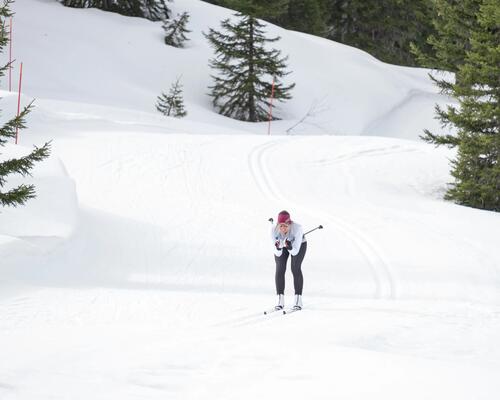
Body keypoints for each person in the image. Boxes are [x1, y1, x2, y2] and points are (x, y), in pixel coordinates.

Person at [271, 210, 307, 310]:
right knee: (280, 269)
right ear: (277, 225)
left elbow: (295, 252)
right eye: (281, 226)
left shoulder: (298, 229)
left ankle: (298, 300)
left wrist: (290, 247)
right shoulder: (273, 230)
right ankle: (280, 300)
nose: (283, 229)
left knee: (295, 268)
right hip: (282, 244)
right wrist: (278, 247)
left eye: (286, 226)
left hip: (298, 244)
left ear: (290, 224)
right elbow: (277, 253)